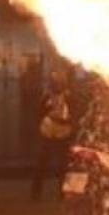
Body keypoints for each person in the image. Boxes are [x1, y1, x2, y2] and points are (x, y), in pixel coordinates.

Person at [32, 72, 75, 200]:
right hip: (48, 132)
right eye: (55, 82)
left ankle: (63, 193)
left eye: (59, 82)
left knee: (64, 165)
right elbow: (39, 113)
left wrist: (70, 124)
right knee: (41, 164)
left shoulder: (69, 97)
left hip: (63, 132)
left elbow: (74, 112)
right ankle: (35, 193)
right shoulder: (46, 97)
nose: (57, 85)